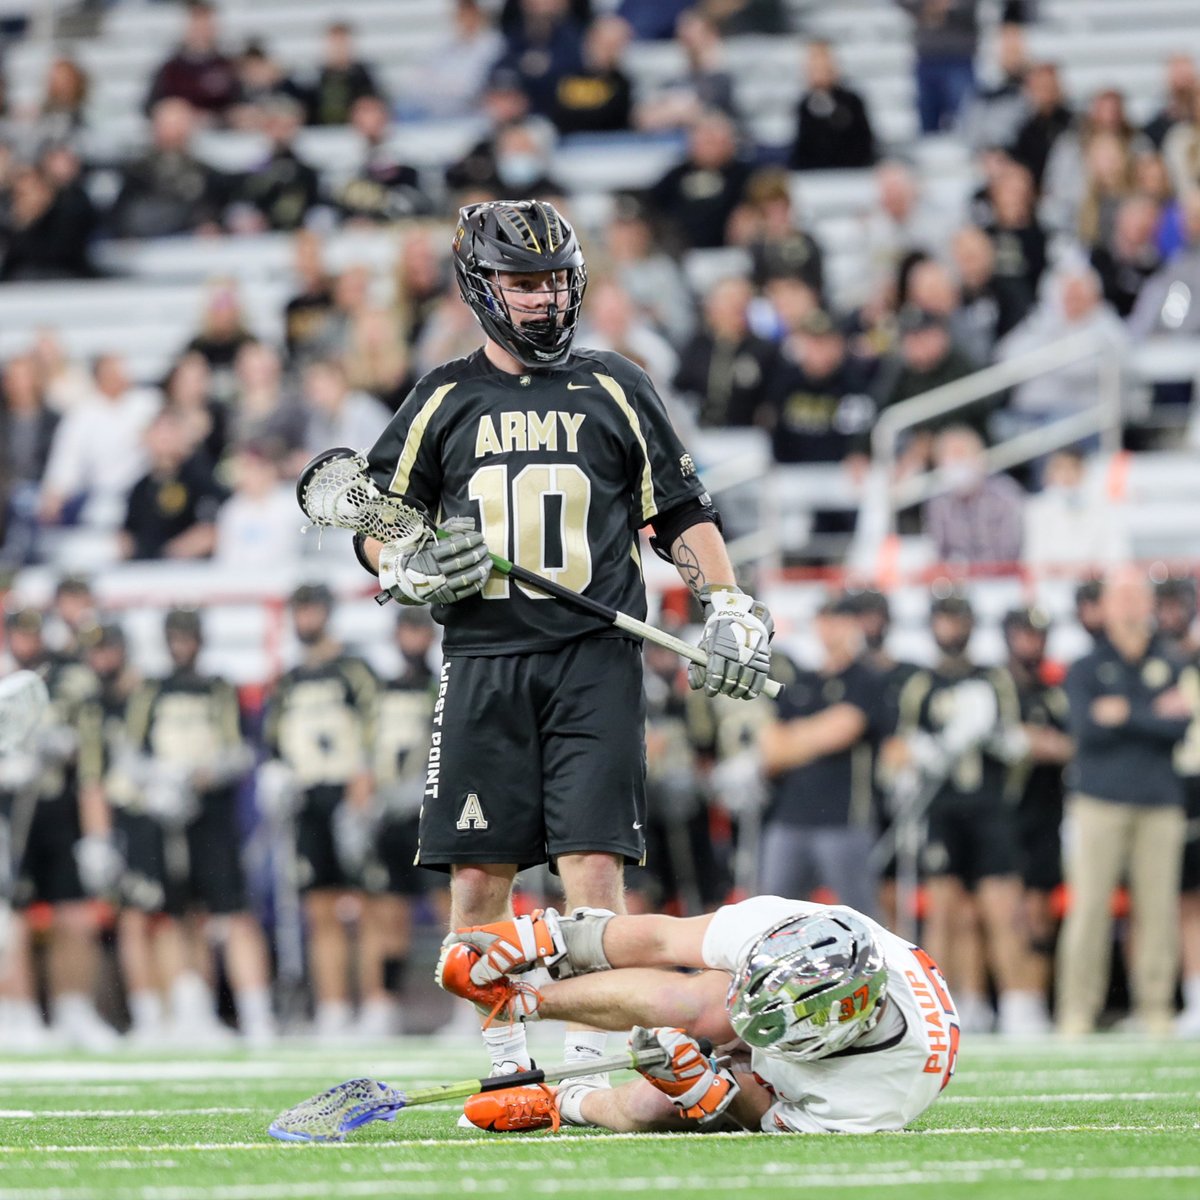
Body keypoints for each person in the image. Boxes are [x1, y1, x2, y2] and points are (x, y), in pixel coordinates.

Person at [355, 198, 773, 1117]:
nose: (541, 301)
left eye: (552, 282)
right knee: (479, 873)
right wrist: (410, 564)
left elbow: (682, 510)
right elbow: (373, 518)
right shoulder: (443, 395)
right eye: (522, 282)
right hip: (483, 658)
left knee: (592, 872)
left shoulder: (618, 383)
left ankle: (588, 1060)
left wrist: (729, 601)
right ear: (481, 286)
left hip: (596, 658)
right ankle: (506, 1064)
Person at [437, 894, 958, 1133]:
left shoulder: (874, 1099)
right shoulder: (793, 924)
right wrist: (549, 939)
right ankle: (520, 998)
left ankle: (563, 1100)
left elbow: (766, 1115)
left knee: (648, 1106)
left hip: (831, 1069)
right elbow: (665, 937)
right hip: (802, 1003)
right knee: (698, 1009)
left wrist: (711, 1091)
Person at [884, 590, 1042, 1034]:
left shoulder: (994, 679)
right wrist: (925, 753)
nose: (951, 628)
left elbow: (1017, 743)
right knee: (945, 911)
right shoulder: (920, 684)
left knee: (1002, 908)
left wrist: (987, 733)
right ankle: (948, 1006)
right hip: (941, 809)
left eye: (958, 619)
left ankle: (1019, 1004)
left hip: (989, 807)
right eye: (944, 619)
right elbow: (899, 749)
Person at [122, 609, 274, 1045]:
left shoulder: (218, 687)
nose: (182, 644)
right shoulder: (150, 689)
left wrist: (197, 776)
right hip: (165, 816)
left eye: (188, 637)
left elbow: (239, 751)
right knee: (174, 914)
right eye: (176, 637)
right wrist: (158, 782)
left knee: (231, 912)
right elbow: (130, 751)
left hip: (211, 815)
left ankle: (256, 1014)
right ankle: (190, 1008)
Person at [1058, 565, 1194, 1036]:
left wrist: (1122, 714)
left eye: (1139, 596)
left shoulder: (1172, 661)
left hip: (1159, 801)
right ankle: (1077, 1009)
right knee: (1089, 908)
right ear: (1105, 607)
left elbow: (1179, 727)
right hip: (1099, 802)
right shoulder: (1085, 666)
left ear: (1151, 604)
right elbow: (1085, 729)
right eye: (1123, 596)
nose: (1132, 605)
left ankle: (1156, 1008)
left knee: (1158, 910)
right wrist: (1148, 715)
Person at [261, 584, 378, 1039]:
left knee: (368, 906)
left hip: (348, 793)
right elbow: (274, 741)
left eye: (311, 608)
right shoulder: (287, 680)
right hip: (306, 798)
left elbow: (373, 731)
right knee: (319, 907)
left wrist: (363, 797)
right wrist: (276, 773)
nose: (304, 617)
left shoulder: (353, 669)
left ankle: (374, 1005)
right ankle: (332, 1008)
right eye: (299, 609)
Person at [0, 607, 114, 1051]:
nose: (27, 643)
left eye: (33, 634)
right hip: (10, 812)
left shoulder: (68, 682)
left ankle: (75, 1010)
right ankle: (17, 1011)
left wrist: (98, 835)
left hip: (56, 809)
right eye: (19, 634)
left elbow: (90, 758)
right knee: (13, 917)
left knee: (73, 914)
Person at [757, 594, 880, 916]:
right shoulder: (802, 681)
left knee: (859, 916)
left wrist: (795, 739)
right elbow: (771, 749)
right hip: (790, 816)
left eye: (838, 620)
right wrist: (811, 736)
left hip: (844, 819)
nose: (830, 629)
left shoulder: (866, 677)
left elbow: (843, 729)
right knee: (773, 916)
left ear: (854, 625)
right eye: (824, 620)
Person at [358, 608, 447, 1036]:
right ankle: (383, 1004)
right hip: (389, 813)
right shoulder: (380, 690)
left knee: (452, 909)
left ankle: (471, 1007)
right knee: (387, 914)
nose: (412, 639)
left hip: (433, 809)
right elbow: (364, 750)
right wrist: (360, 806)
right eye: (406, 630)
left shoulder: (443, 681)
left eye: (419, 630)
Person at [1002, 606, 1072, 1016]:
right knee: (1009, 910)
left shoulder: (1055, 692)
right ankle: (1016, 999)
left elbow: (1072, 745)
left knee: (1041, 913)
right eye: (1023, 633)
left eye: (1036, 634)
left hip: (1047, 811)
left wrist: (1033, 742)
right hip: (1005, 813)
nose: (1030, 642)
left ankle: (1036, 1000)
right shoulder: (997, 686)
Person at [1153, 575, 1200, 1035]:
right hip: (1173, 784)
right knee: (1181, 897)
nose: (1169, 614)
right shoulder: (1154, 662)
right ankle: (1191, 992)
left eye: (1175, 605)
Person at [922, 425, 1025, 566]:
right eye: (948, 456)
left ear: (979, 456)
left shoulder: (1004, 494)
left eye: (960, 454)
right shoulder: (939, 501)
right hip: (957, 583)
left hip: (1002, 581)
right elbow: (938, 553)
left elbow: (1011, 552)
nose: (955, 463)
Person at [143, 0, 238, 122]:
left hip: (221, 131)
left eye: (205, 23)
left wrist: (214, 116)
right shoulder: (170, 68)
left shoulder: (229, 65)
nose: (201, 30)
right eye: (196, 23)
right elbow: (149, 106)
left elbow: (239, 104)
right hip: (180, 132)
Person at [788, 41, 876, 172]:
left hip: (851, 174)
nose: (818, 72)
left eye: (822, 66)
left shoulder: (852, 102)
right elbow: (802, 148)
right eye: (813, 67)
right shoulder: (803, 105)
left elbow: (864, 143)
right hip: (815, 177)